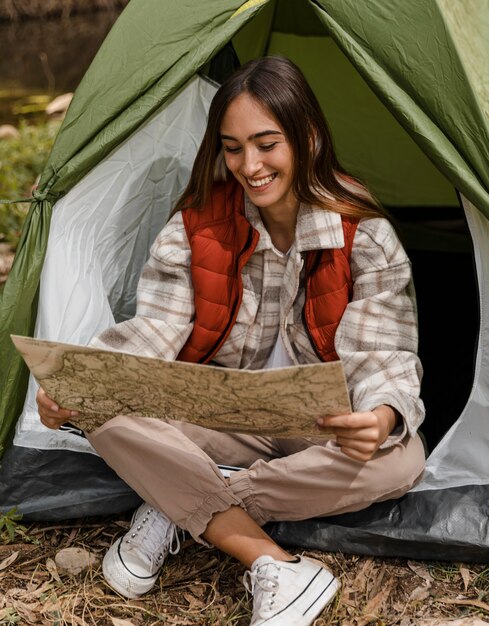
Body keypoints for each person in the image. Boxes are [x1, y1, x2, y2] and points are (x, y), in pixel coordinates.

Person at [37, 56, 426, 625]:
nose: (250, 165)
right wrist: (85, 382)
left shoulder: (365, 233)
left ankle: (176, 497)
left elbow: (383, 353)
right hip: (217, 418)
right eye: (233, 147)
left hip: (313, 427)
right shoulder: (196, 225)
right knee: (104, 409)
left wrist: (383, 415)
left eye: (267, 144)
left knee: (401, 461)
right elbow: (154, 331)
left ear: (308, 137)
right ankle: (270, 559)